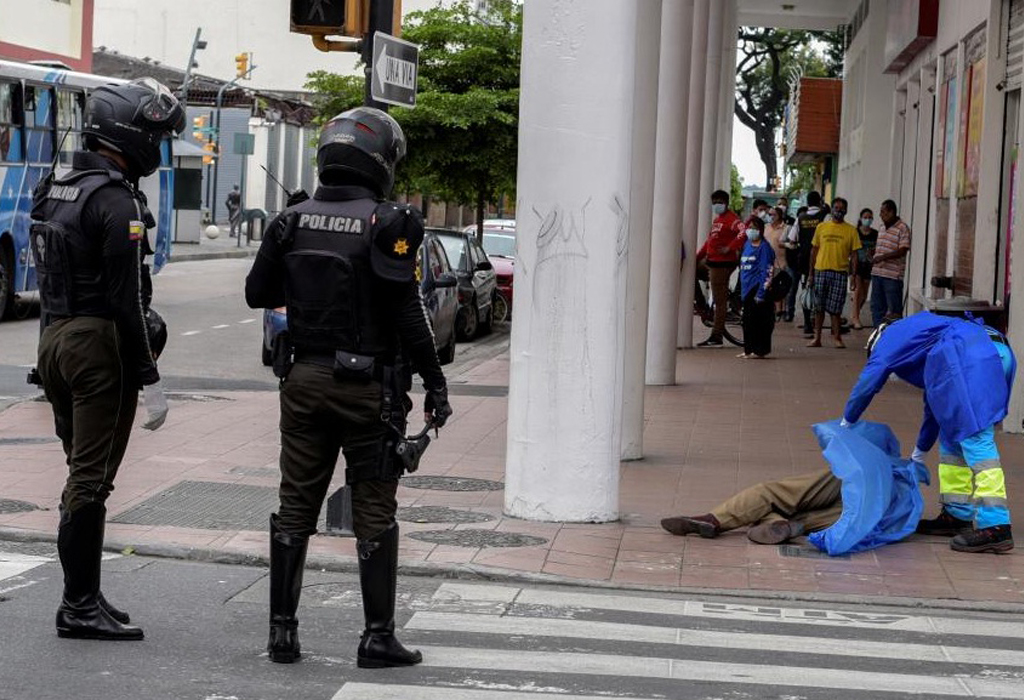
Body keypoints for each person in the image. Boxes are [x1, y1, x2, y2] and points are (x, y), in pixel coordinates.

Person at [245, 107, 453, 668]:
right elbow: (409, 313)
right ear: (382, 160)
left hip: (304, 382)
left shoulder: (290, 222)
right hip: (369, 389)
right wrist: (436, 384)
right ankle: (377, 637)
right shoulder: (390, 223)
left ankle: (282, 634)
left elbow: (256, 292)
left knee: (295, 506)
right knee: (374, 511)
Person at [30, 78, 184, 641]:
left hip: (56, 340)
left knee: (81, 473)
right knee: (90, 480)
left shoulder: (58, 185)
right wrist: (150, 377)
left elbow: (49, 280)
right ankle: (76, 605)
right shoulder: (118, 200)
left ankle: (87, 592)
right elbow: (127, 301)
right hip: (97, 349)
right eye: (156, 137)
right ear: (131, 133)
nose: (158, 148)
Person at [844, 313, 1015, 553]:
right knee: (952, 434)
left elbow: (869, 382)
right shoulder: (920, 334)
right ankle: (957, 514)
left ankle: (996, 526)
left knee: (977, 439)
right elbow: (934, 407)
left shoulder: (888, 339)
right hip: (990, 350)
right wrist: (919, 452)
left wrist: (846, 422)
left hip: (973, 357)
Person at [661, 468, 841, 545]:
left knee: (773, 494)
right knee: (802, 515)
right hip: (855, 510)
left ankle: (715, 520)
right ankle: (780, 525)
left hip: (858, 487)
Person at [807, 197, 860, 349]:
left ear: (846, 211)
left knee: (836, 309)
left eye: (841, 208)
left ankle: (837, 338)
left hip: (840, 273)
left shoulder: (851, 230)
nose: (838, 210)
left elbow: (855, 255)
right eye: (836, 207)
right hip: (821, 271)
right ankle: (817, 338)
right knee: (819, 308)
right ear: (831, 210)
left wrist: (853, 276)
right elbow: (814, 250)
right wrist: (811, 274)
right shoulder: (821, 227)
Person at [695, 190, 746, 347]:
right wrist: (696, 257)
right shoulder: (718, 220)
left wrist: (730, 248)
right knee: (692, 273)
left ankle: (716, 336)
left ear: (726, 202)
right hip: (711, 261)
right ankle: (703, 307)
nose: (716, 204)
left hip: (721, 264)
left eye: (719, 201)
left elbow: (743, 232)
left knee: (719, 301)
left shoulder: (732, 219)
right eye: (714, 202)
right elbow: (709, 242)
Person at [786, 192, 826, 336]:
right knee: (821, 291)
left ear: (808, 203)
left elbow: (792, 240)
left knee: (807, 290)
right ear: (819, 202)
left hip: (804, 261)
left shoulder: (800, 218)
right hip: (822, 259)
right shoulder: (824, 217)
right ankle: (818, 320)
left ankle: (808, 323)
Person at [738, 217, 775, 358]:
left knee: (758, 322)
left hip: (757, 288)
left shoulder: (764, 248)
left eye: (755, 228)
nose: (751, 230)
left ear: (761, 230)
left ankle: (759, 350)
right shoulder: (747, 244)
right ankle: (748, 349)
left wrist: (761, 293)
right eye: (749, 227)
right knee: (747, 321)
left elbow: (766, 271)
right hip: (746, 289)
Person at [870, 199, 911, 327]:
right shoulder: (882, 228)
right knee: (877, 307)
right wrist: (873, 252)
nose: (881, 215)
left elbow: (902, 250)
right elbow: (881, 247)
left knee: (894, 310)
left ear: (891, 212)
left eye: (883, 212)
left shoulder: (902, 228)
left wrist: (883, 257)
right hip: (877, 273)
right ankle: (878, 335)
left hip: (892, 276)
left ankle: (893, 338)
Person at [851, 208, 878, 330]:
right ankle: (856, 318)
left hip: (869, 265)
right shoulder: (855, 232)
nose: (867, 219)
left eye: (870, 217)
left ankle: (855, 313)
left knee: (864, 294)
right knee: (858, 290)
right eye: (865, 217)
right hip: (857, 264)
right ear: (861, 218)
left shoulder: (875, 234)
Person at [766, 205, 791, 320]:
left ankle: (783, 309)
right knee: (771, 286)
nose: (771, 217)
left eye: (773, 215)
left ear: (780, 216)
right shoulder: (766, 228)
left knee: (781, 286)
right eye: (770, 214)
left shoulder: (786, 228)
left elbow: (791, 243)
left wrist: (785, 244)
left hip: (782, 262)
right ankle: (776, 309)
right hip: (768, 262)